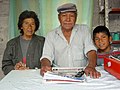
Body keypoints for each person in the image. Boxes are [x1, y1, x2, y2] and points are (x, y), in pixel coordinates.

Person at [40, 3, 101, 78]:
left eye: (71, 16)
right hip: (59, 75)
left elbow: (91, 50)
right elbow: (46, 56)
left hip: (82, 73)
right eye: (64, 16)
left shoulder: (84, 30)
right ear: (59, 18)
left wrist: (91, 66)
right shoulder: (51, 35)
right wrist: (45, 66)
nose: (68, 19)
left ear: (76, 17)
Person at [2, 10, 45, 75]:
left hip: (37, 80)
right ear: (21, 26)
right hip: (16, 80)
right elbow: (5, 65)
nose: (29, 27)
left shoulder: (42, 42)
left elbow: (49, 63)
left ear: (36, 26)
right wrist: (15, 68)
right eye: (26, 23)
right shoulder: (11, 44)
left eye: (32, 24)